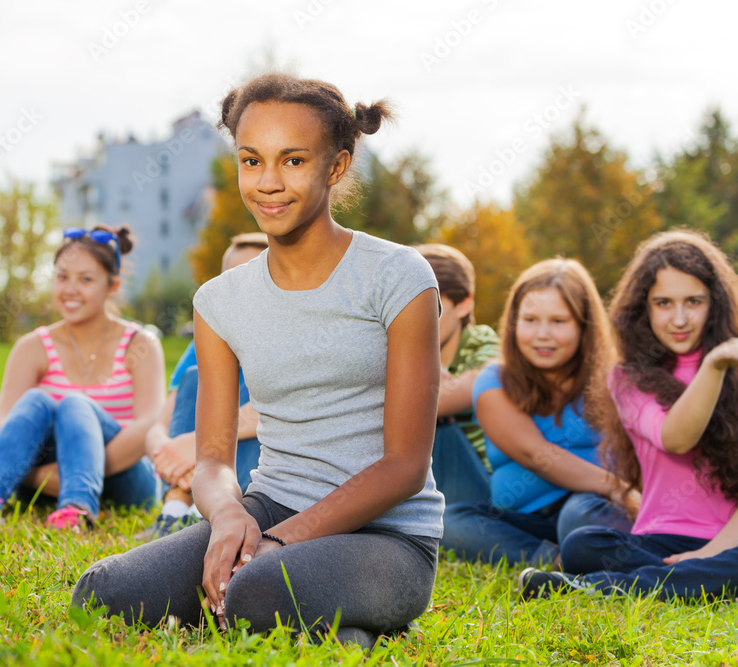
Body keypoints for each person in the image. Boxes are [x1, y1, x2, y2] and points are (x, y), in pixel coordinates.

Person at [73, 72, 445, 649]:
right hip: (270, 504)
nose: (268, 183)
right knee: (104, 593)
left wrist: (282, 542)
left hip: (389, 538)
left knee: (257, 590)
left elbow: (404, 466)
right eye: (251, 161)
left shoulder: (398, 277)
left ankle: (316, 615)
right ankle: (329, 627)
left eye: (293, 161)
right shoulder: (219, 301)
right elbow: (215, 459)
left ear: (337, 166)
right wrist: (227, 515)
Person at [521, 230, 738, 600]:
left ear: (715, 303)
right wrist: (714, 365)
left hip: (735, 540)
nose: (679, 318)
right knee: (583, 544)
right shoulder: (629, 377)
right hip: (660, 540)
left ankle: (593, 590)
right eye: (663, 303)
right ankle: (694, 580)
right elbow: (676, 437)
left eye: (693, 301)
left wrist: (711, 553)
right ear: (643, 308)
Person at [0, 225, 164, 530]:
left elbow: (149, 427)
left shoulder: (141, 343)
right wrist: (43, 474)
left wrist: (80, 472)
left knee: (75, 405)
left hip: (125, 479)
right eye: (62, 277)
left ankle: (77, 506)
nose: (70, 289)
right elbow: (2, 425)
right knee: (35, 401)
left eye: (85, 279)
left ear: (112, 286)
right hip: (44, 482)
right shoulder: (32, 346)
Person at [441, 259, 636, 566]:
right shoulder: (494, 381)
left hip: (591, 507)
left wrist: (624, 494)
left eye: (558, 322)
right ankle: (554, 560)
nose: (542, 334)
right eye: (530, 320)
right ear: (514, 323)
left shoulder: (612, 379)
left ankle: (587, 552)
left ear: (584, 326)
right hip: (528, 520)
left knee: (579, 516)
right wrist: (619, 487)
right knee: (451, 521)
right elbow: (536, 453)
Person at [139, 233, 268, 540]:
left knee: (252, 381)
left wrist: (198, 444)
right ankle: (174, 511)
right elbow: (160, 423)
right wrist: (167, 451)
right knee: (196, 377)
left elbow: (283, 411)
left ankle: (203, 511)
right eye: (233, 279)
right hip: (192, 470)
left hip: (245, 472)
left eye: (256, 277)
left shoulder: (282, 339)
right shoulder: (207, 336)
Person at [415, 243, 499, 504]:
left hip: (479, 481)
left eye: (431, 308)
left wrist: (430, 388)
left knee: (432, 420)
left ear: (463, 306)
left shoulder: (481, 341)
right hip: (434, 479)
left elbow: (452, 395)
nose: (416, 320)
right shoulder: (405, 351)